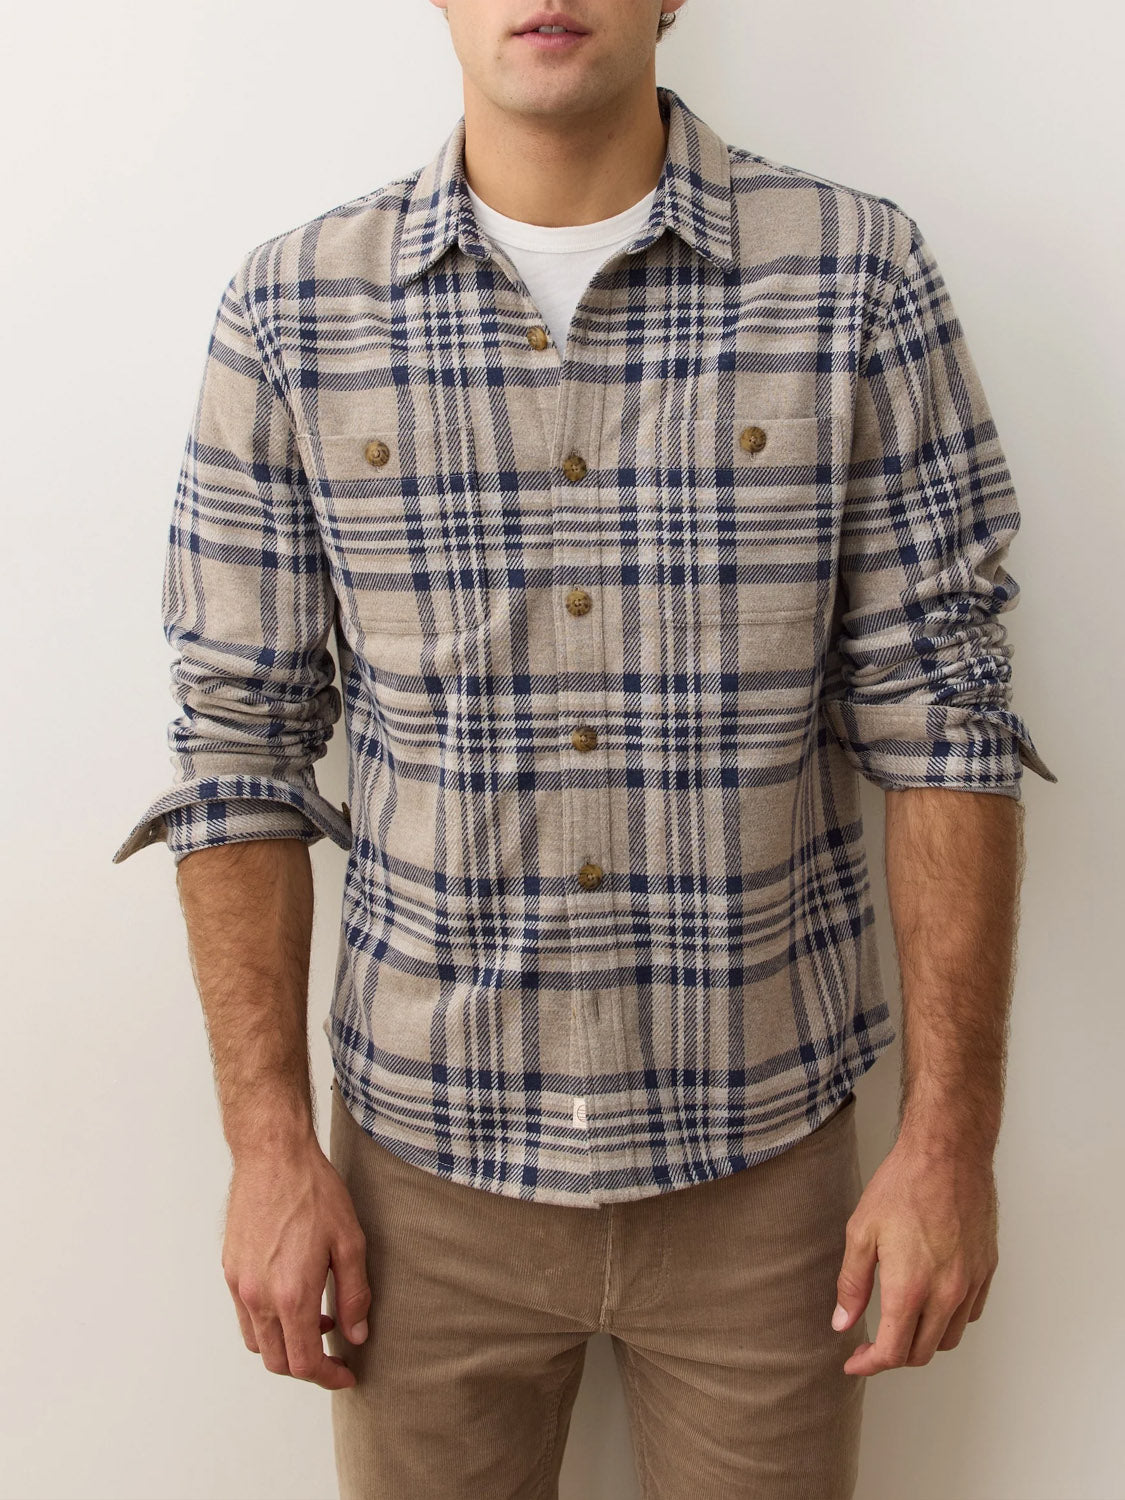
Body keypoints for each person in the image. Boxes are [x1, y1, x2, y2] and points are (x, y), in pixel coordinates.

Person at [112, 3, 1058, 1495]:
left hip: (772, 1181)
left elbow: (945, 724)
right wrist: (269, 1149)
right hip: (419, 1194)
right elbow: (238, 746)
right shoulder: (295, 310)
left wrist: (950, 1146)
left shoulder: (853, 277)